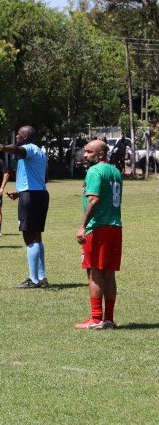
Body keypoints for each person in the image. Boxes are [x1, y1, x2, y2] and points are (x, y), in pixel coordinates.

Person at [0, 126, 49, 288]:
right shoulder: (40, 151)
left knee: (28, 236)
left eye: (18, 134)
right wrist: (19, 190)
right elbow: (42, 177)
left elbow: (17, 150)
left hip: (30, 196)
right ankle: (41, 277)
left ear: (23, 137)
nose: (16, 136)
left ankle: (34, 279)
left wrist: (2, 147)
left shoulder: (28, 148)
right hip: (39, 194)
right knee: (37, 236)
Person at [75, 140, 122, 329]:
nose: (85, 155)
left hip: (98, 227)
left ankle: (95, 318)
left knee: (94, 272)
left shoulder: (94, 171)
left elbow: (93, 200)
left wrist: (82, 226)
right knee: (108, 273)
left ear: (100, 154)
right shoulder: (116, 171)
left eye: (89, 151)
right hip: (115, 227)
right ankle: (108, 318)